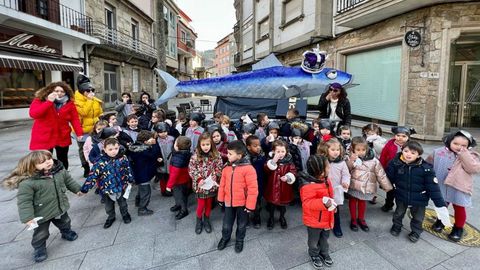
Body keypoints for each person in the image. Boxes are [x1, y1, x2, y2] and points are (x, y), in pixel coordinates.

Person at [2, 150, 83, 263]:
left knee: (65, 222)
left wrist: (78, 190)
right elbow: (24, 201)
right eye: (42, 162)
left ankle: (66, 232)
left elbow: (69, 181)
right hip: (41, 214)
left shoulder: (59, 171)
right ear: (32, 166)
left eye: (49, 159)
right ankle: (39, 248)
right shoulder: (28, 183)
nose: (48, 162)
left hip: (59, 207)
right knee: (41, 233)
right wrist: (28, 217)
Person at [387, 141, 447, 243]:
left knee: (418, 217)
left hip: (420, 198)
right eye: (406, 151)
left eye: (413, 152)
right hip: (401, 195)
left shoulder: (426, 169)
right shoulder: (395, 163)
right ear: (402, 151)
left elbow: (433, 187)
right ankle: (396, 226)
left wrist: (440, 204)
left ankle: (416, 231)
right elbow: (388, 177)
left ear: (418, 155)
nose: (408, 154)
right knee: (398, 213)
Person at [427, 130, 480, 242]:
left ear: (468, 146)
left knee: (459, 207)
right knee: (441, 205)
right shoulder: (438, 152)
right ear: (449, 141)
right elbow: (428, 164)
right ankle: (441, 221)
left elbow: (473, 168)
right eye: (456, 144)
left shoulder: (471, 156)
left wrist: (464, 154)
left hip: (458, 187)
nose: (459, 147)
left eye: (464, 145)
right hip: (441, 184)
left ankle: (458, 228)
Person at [29, 82, 83, 170]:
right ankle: (46, 178)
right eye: (56, 91)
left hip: (62, 135)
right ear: (50, 91)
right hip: (45, 135)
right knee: (44, 160)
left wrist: (79, 132)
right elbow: (34, 114)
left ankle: (63, 176)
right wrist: (49, 102)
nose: (59, 93)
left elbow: (74, 119)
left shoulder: (69, 103)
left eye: (62, 91)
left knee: (63, 159)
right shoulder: (40, 100)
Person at [80, 138, 134, 229]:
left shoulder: (122, 158)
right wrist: (85, 189)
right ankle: (111, 217)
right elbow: (93, 175)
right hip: (107, 189)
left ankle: (125, 215)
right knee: (108, 207)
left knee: (123, 204)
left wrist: (130, 179)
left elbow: (127, 169)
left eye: (116, 148)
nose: (114, 151)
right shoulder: (100, 161)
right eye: (110, 149)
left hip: (121, 186)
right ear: (104, 149)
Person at [217, 140, 258, 253]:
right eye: (227, 153)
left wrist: (250, 206)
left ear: (239, 155)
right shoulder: (227, 167)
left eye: (230, 154)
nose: (227, 155)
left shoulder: (249, 169)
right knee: (226, 224)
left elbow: (253, 189)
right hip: (229, 202)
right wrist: (220, 198)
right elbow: (222, 185)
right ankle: (225, 238)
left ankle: (239, 240)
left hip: (243, 204)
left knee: (241, 224)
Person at [347, 137, 392, 232]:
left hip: (366, 186)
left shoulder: (374, 160)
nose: (361, 152)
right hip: (354, 184)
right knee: (353, 201)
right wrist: (351, 160)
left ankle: (361, 218)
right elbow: (346, 170)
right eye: (358, 150)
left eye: (363, 150)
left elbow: (381, 174)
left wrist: (386, 186)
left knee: (362, 202)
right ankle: (353, 219)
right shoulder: (350, 158)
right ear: (353, 149)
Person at [298, 155, 335, 269]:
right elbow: (307, 203)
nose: (330, 168)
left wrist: (333, 205)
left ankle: (324, 253)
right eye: (327, 167)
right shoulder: (307, 186)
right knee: (313, 241)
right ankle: (314, 254)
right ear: (319, 170)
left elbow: (330, 194)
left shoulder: (326, 179)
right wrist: (324, 203)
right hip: (314, 220)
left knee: (325, 238)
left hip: (327, 217)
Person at [189, 132, 224, 234]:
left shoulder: (216, 155)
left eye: (207, 144)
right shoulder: (195, 156)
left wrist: (215, 175)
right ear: (199, 144)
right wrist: (199, 179)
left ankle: (207, 219)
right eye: (203, 145)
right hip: (200, 186)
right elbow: (191, 169)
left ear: (211, 144)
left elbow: (219, 167)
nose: (205, 147)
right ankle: (199, 220)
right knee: (201, 205)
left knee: (209, 204)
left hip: (211, 184)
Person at [317, 138, 350, 238]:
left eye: (338, 150)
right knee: (323, 207)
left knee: (335, 209)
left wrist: (345, 182)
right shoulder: (322, 160)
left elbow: (346, 174)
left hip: (335, 190)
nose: (336, 152)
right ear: (326, 149)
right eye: (333, 150)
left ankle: (337, 225)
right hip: (323, 188)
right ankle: (322, 225)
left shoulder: (341, 162)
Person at [379, 126, 415, 212]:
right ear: (394, 135)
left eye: (404, 136)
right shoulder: (390, 143)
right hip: (391, 171)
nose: (400, 138)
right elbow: (383, 155)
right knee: (390, 190)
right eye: (398, 135)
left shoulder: (411, 146)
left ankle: (400, 208)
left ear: (408, 137)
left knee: (401, 191)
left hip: (404, 173)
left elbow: (415, 158)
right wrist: (381, 167)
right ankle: (388, 204)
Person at [264, 140, 297, 230]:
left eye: (283, 151)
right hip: (272, 187)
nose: (280, 153)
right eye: (278, 151)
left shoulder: (289, 160)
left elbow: (293, 171)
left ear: (286, 151)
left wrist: (288, 177)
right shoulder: (270, 160)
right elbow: (266, 170)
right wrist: (273, 162)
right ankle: (271, 218)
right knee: (272, 205)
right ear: (274, 151)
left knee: (283, 205)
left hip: (284, 188)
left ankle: (282, 217)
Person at [75, 74, 103, 177]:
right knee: (83, 149)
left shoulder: (94, 99)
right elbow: (83, 113)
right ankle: (86, 167)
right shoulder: (77, 101)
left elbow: (99, 112)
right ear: (82, 91)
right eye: (88, 91)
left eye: (92, 90)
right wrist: (89, 100)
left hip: (94, 128)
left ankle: (96, 165)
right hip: (82, 129)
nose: (91, 93)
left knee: (96, 146)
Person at [127, 130, 161, 216]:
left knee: (141, 189)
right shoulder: (144, 151)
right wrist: (155, 144)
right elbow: (154, 154)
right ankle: (142, 209)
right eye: (151, 138)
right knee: (146, 192)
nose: (153, 139)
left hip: (139, 174)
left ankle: (138, 202)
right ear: (145, 141)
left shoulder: (136, 147)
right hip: (144, 175)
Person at [166, 136, 192, 220]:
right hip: (184, 179)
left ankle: (184, 210)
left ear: (177, 146)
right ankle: (178, 204)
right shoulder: (186, 153)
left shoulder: (178, 157)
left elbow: (174, 174)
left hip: (179, 181)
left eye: (175, 143)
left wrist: (169, 186)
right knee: (180, 195)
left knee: (181, 196)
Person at [362, 123, 387, 205]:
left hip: (375, 162)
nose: (371, 135)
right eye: (369, 133)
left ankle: (373, 195)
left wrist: (374, 142)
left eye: (373, 134)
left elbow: (381, 151)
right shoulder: (363, 139)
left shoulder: (381, 140)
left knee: (373, 181)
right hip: (364, 162)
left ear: (378, 133)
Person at [246, 135, 267, 229]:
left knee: (257, 202)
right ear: (248, 147)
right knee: (246, 201)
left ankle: (257, 217)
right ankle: (245, 218)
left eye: (259, 145)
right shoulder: (246, 157)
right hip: (248, 183)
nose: (258, 147)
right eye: (255, 146)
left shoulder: (262, 155)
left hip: (260, 182)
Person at [154, 122, 175, 196]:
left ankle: (169, 189)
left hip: (170, 161)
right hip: (161, 162)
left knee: (170, 177)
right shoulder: (155, 141)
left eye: (165, 132)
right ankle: (163, 191)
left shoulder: (172, 139)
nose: (163, 134)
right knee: (162, 179)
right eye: (161, 132)